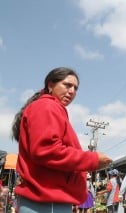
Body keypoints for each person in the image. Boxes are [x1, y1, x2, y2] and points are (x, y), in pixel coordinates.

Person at [11, 67, 113, 212]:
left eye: (75, 88)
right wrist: (93, 160)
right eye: (67, 85)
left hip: (48, 201)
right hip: (47, 203)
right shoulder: (46, 106)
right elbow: (46, 151)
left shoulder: (49, 107)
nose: (72, 91)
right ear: (50, 85)